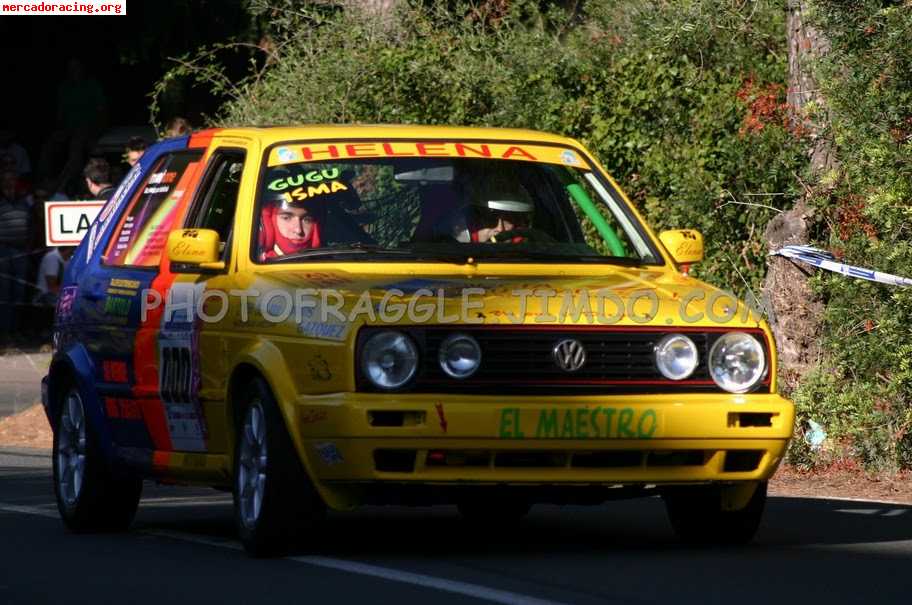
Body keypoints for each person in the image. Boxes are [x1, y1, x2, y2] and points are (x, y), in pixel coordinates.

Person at [0, 169, 32, 334]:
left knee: (20, 291)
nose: (10, 182)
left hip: (21, 251)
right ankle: (5, 331)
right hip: (3, 251)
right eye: (7, 179)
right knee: (4, 291)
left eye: (13, 179)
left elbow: (30, 224)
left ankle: (17, 330)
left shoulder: (24, 201)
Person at [258, 194, 326, 260]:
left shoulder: (329, 261)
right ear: (268, 223)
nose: (298, 230)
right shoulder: (254, 265)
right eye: (286, 218)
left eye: (307, 220)